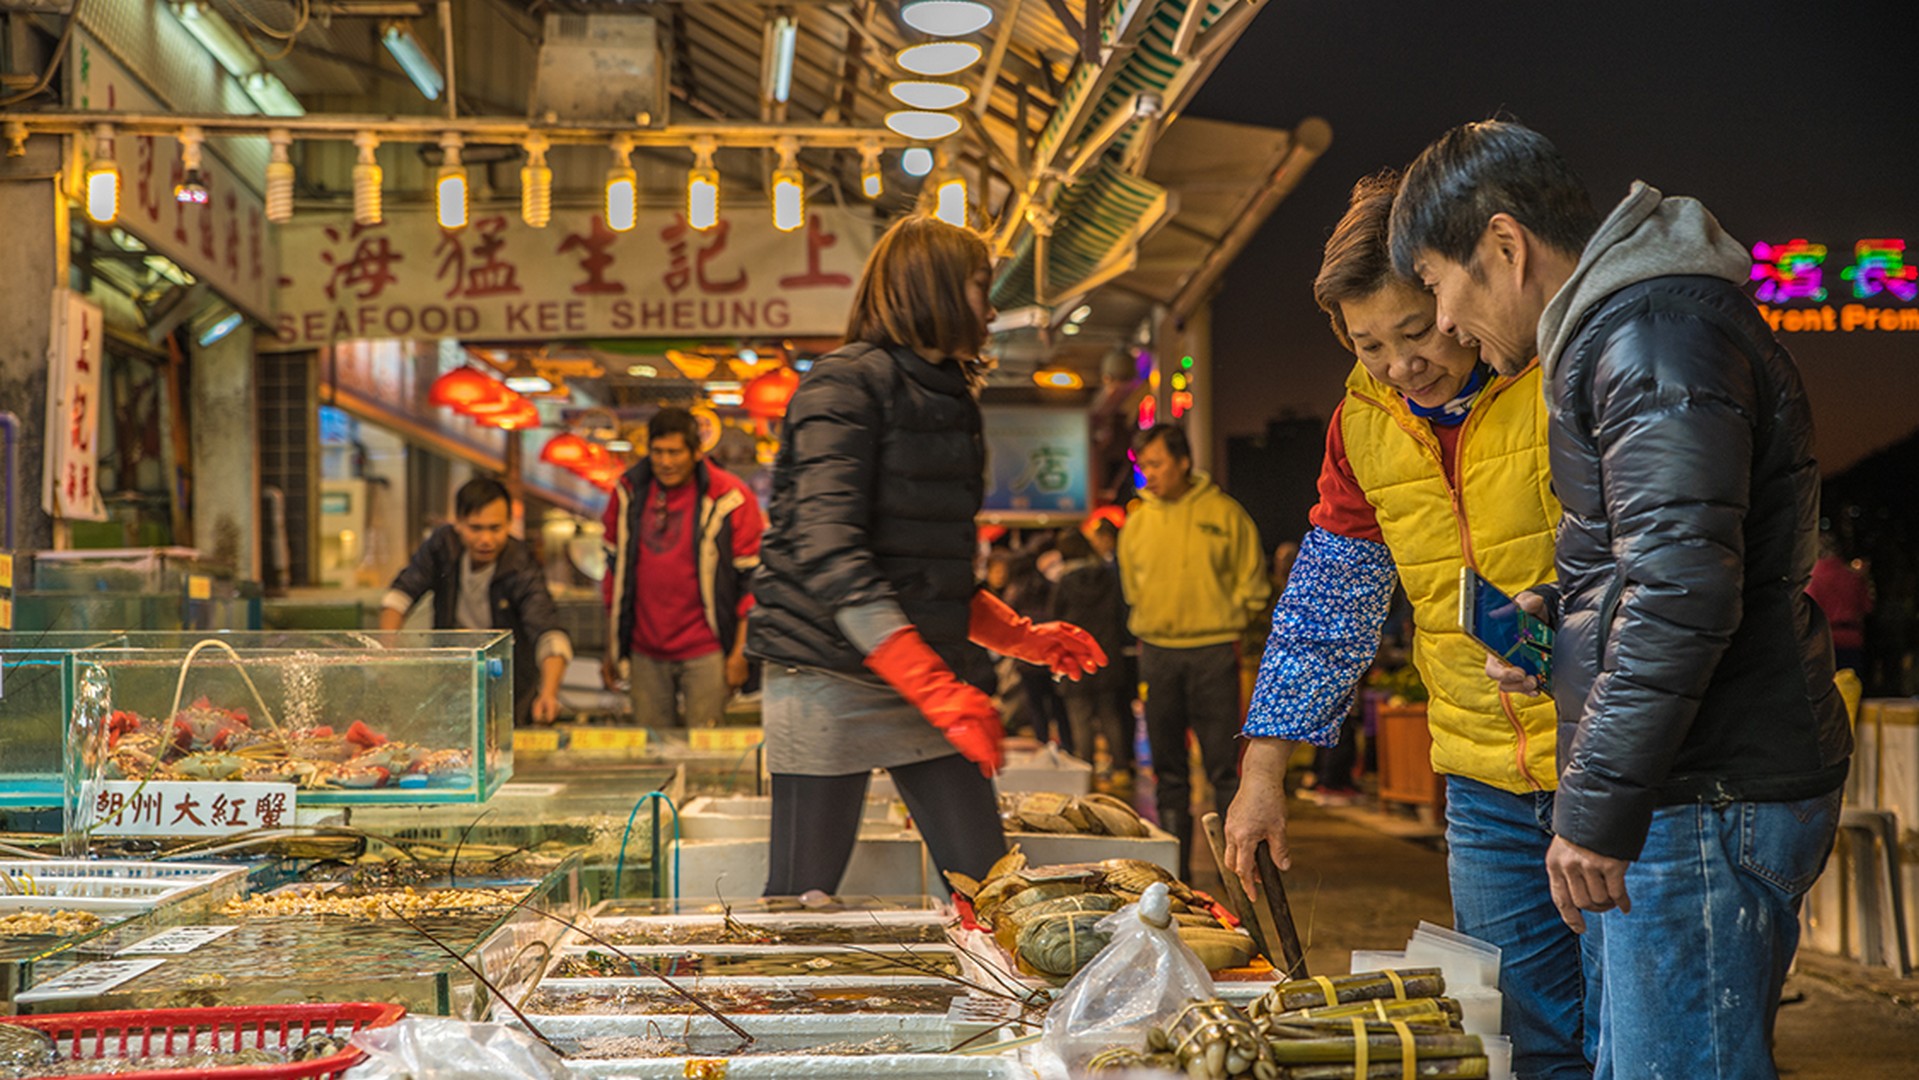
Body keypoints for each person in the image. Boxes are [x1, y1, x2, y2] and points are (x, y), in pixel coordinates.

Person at [1391, 120, 1851, 1080]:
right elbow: (1667, 562)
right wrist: (1559, 620)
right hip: (1698, 780)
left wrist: (1591, 811)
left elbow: (1684, 585)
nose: (1443, 325)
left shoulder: (1647, 337)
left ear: (1505, 248)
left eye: (1438, 286)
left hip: (1707, 790)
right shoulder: (1633, 331)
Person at [1226, 171, 1576, 1075]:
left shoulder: (1562, 373)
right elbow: (1329, 598)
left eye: (1414, 332)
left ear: (1455, 286)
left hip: (1614, 764)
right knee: (1519, 1041)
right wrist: (1263, 768)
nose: (1398, 366)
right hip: (1482, 783)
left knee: (1637, 1038)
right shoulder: (1364, 422)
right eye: (1366, 343)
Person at [747, 213, 1108, 896]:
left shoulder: (951, 396)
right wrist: (938, 688)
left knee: (989, 889)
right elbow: (830, 552)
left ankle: (993, 1006)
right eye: (978, 285)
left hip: (923, 679)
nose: (990, 305)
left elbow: (934, 573)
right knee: (800, 901)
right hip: (826, 676)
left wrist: (1022, 638)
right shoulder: (841, 384)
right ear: (933, 289)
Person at [1119, 423, 1269, 879]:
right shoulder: (1138, 521)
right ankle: (1176, 875)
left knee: (1224, 767)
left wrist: (1233, 612)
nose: (1150, 475)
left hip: (1213, 650)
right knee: (1168, 772)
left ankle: (1241, 870)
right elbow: (1130, 585)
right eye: (1144, 467)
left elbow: (1253, 579)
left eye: (1158, 464)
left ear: (1183, 461)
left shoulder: (1224, 513)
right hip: (1158, 651)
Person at [601, 406, 764, 729]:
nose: (665, 461)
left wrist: (739, 654)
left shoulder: (730, 497)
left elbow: (753, 583)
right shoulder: (628, 494)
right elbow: (613, 576)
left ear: (696, 452)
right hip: (643, 650)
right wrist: (613, 646)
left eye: (675, 452)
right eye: (657, 452)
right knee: (654, 753)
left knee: (705, 755)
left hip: (707, 650)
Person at [381, 477, 572, 725]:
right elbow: (400, 595)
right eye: (476, 528)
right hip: (449, 683)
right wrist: (385, 654)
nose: (486, 540)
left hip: (510, 689)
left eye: (495, 528)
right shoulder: (442, 545)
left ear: (509, 524)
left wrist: (549, 693)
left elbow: (549, 633)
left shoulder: (520, 564)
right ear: (458, 523)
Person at [1050, 531, 1131, 780]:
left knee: (1080, 716)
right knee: (1109, 714)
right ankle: (1121, 769)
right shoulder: (1108, 577)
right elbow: (1121, 612)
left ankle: (1084, 772)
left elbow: (1054, 619)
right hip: (1107, 655)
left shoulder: (1063, 582)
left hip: (1075, 656)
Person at [1807, 532, 1872, 673]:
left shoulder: (1812, 579)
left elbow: (1807, 610)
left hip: (1823, 641)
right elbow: (1867, 606)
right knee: (1850, 687)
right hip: (1851, 639)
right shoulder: (1853, 578)